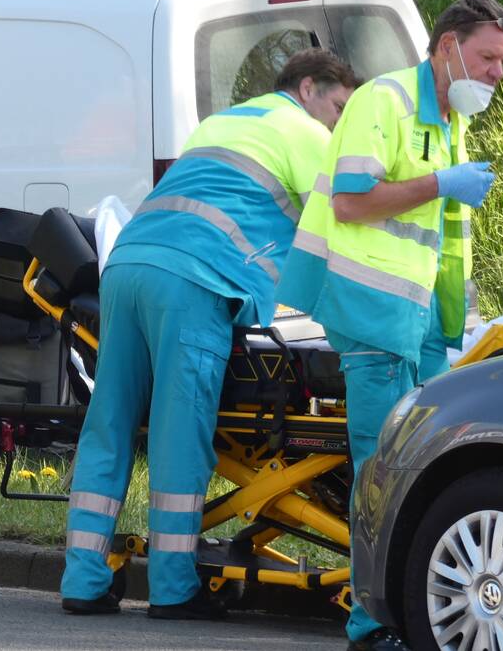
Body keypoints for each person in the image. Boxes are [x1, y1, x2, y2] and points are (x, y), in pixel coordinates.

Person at [60, 49, 359, 619]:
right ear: (307, 88)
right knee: (180, 430)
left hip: (125, 268)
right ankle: (173, 589)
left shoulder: (223, 123)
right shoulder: (307, 134)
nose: (339, 123)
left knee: (111, 424)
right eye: (338, 106)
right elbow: (340, 228)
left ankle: (82, 579)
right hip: (192, 280)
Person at [275, 0, 503, 651]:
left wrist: (454, 328)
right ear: (447, 47)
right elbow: (353, 202)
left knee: (427, 470)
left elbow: (441, 245)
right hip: (372, 315)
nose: (499, 74)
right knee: (378, 473)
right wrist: (441, 183)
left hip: (416, 325)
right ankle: (368, 624)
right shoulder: (384, 103)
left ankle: (405, 603)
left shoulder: (445, 123)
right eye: (489, 58)